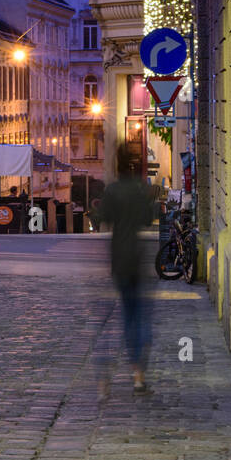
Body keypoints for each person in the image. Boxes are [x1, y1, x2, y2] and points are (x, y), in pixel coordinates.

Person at [99, 145, 157, 394]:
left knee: (126, 314)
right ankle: (139, 374)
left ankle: (109, 375)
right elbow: (147, 219)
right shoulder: (140, 189)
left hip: (119, 259)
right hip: (137, 256)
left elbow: (104, 218)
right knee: (142, 316)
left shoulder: (112, 190)